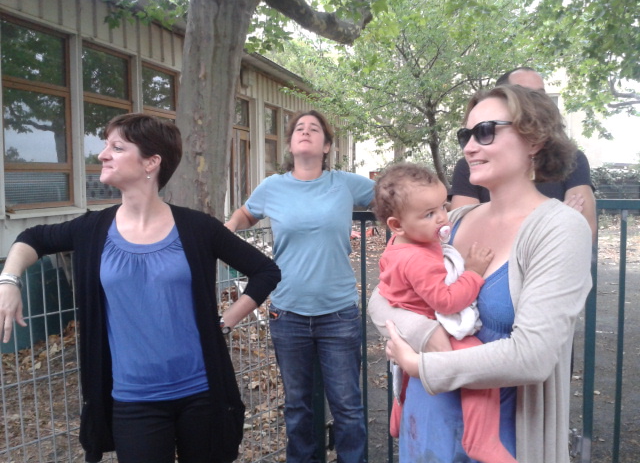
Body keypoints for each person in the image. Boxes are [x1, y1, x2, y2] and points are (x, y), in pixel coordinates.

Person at [0, 114, 281, 463]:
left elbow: (265, 271)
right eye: (106, 146)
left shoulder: (197, 228)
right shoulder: (92, 230)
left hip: (202, 394)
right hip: (134, 400)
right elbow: (32, 238)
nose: (102, 154)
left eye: (117, 147)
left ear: (151, 162)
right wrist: (8, 280)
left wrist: (225, 321)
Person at [369, 85, 592, 463]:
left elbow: (533, 357)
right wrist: (427, 334)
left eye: (485, 132)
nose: (470, 147)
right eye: (466, 135)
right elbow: (381, 298)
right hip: (423, 429)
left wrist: (421, 363)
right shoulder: (451, 221)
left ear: (535, 139)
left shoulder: (560, 229)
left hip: (501, 439)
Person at [225, 110, 374, 463]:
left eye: (314, 129)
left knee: (348, 407)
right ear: (291, 145)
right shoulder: (272, 186)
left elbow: (393, 197)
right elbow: (247, 213)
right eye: (299, 129)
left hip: (339, 314)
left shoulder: (345, 183)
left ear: (327, 146)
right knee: (298, 407)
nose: (305, 132)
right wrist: (224, 232)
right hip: (287, 313)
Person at [373, 162, 518, 463]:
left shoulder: (402, 243)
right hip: (435, 324)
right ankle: (481, 439)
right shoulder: (417, 258)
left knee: (408, 370)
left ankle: (398, 414)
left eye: (443, 205)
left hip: (411, 327)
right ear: (397, 225)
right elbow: (447, 301)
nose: (442, 217)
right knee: (480, 366)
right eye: (429, 214)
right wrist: (473, 273)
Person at [450, 67, 597, 240]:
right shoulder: (471, 166)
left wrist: (559, 225)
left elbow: (582, 230)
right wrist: (549, 225)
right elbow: (461, 236)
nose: (469, 148)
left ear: (534, 143)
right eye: (467, 135)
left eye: (540, 94)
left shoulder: (574, 160)